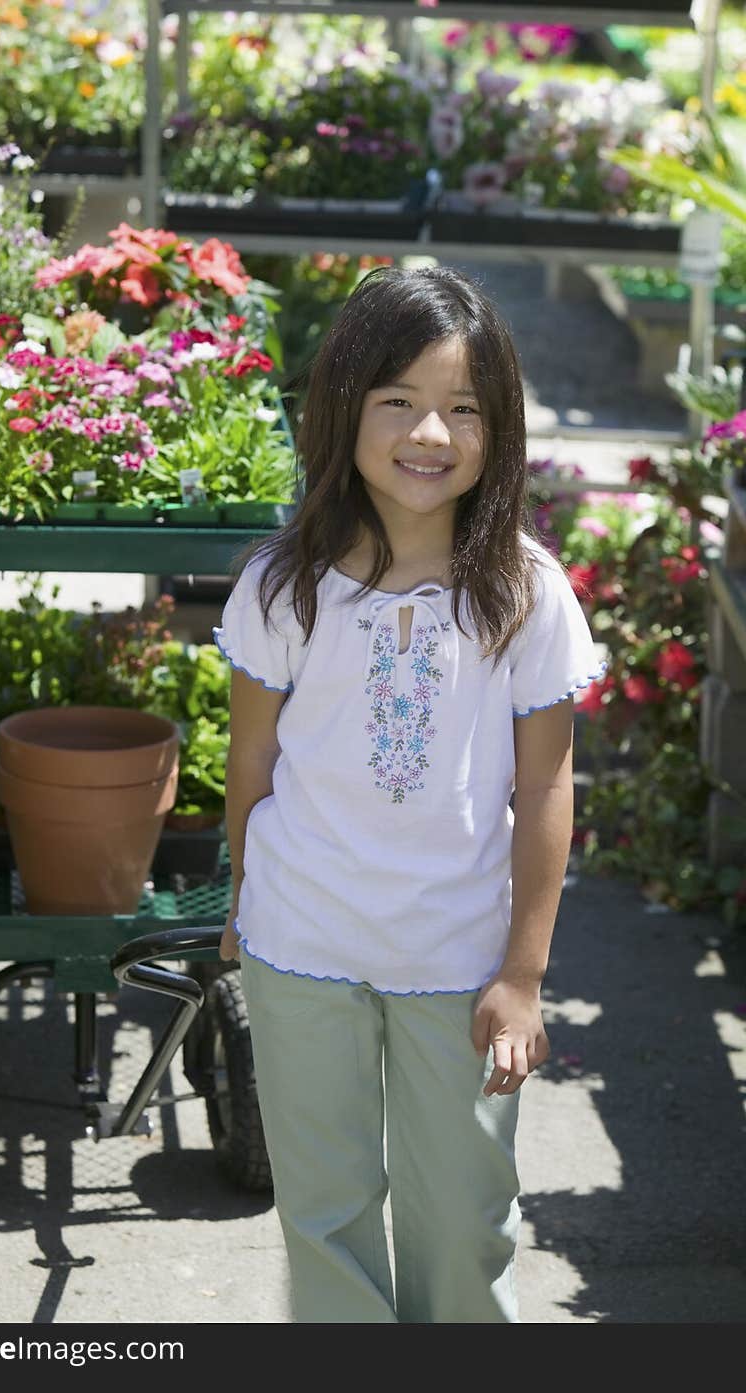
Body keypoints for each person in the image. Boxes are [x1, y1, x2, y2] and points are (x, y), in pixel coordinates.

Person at [212, 264, 606, 1324]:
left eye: (462, 409)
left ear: (498, 430)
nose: (429, 433)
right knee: (325, 1218)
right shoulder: (281, 584)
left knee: (464, 1224)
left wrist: (522, 975)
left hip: (460, 962)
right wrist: (247, 905)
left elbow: (547, 785)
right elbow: (251, 769)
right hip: (304, 945)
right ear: (344, 407)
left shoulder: (523, 593)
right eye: (398, 401)